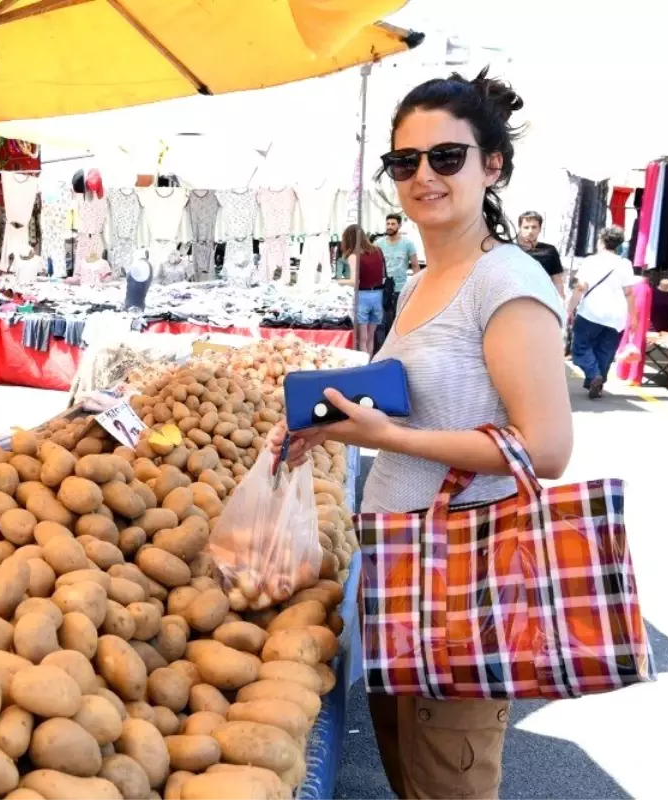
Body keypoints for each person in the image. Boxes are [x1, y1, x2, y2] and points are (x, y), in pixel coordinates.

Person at [271, 69, 572, 799]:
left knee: (446, 779)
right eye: (405, 162)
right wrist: (336, 425)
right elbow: (423, 403)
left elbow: (547, 448)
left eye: (447, 157)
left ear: (491, 164)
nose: (423, 177)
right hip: (402, 567)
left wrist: (391, 440)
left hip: (464, 577)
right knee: (412, 773)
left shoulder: (506, 282)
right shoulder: (425, 279)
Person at [567, 225, 638, 399]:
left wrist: (569, 308)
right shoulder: (625, 264)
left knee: (580, 347)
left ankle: (593, 374)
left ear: (601, 240)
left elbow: (580, 287)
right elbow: (629, 292)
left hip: (591, 312)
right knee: (605, 351)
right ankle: (597, 384)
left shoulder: (591, 261)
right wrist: (633, 317)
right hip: (616, 316)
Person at [338, 224, 387, 356]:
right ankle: (369, 363)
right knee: (371, 337)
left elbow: (354, 281)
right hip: (378, 296)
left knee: (362, 340)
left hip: (362, 297)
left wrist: (338, 282)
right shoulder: (378, 250)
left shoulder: (354, 256)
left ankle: (363, 367)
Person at [375, 213, 420, 349]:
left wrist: (417, 285)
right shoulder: (378, 243)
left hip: (400, 288)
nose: (389, 226)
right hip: (382, 288)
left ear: (399, 226)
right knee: (381, 322)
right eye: (388, 224)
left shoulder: (408, 243)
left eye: (393, 224)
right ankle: (383, 349)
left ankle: (398, 348)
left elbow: (415, 265)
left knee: (398, 321)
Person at [517, 211, 566, 300]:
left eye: (534, 227)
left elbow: (557, 280)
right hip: (516, 299)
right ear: (520, 228)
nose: (530, 231)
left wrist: (561, 301)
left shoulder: (550, 250)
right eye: (526, 227)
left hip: (542, 300)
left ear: (540, 229)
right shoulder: (511, 250)